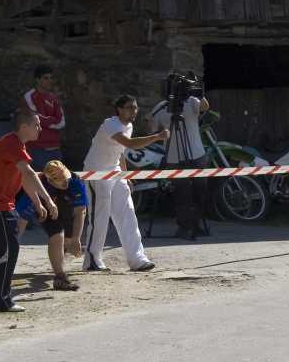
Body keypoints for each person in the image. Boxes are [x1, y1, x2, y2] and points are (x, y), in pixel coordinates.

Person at [0, 111, 58, 313]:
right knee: (8, 251)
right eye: (36, 125)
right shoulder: (11, 143)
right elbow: (29, 173)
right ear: (24, 127)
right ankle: (2, 300)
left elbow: (23, 178)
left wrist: (37, 202)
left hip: (3, 204)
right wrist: (47, 200)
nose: (40, 128)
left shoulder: (17, 144)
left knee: (4, 251)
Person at [82, 95, 168, 272]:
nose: (134, 111)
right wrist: (157, 136)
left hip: (116, 173)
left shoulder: (129, 125)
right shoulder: (110, 124)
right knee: (100, 217)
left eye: (135, 108)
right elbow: (129, 144)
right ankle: (92, 260)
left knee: (128, 213)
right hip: (96, 172)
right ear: (119, 109)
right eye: (130, 107)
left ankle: (137, 259)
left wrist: (126, 175)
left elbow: (120, 152)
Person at [15, 160, 87, 292]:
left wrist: (76, 237)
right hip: (44, 209)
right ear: (51, 181)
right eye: (61, 181)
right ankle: (60, 276)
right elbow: (22, 219)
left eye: (66, 178)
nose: (66, 182)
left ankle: (58, 262)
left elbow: (81, 210)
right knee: (57, 236)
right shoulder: (37, 187)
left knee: (68, 241)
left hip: (66, 207)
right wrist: (12, 243)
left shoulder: (75, 180)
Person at [148, 90, 210, 240]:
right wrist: (149, 120)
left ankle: (196, 224)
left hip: (197, 154)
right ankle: (184, 226)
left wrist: (199, 93)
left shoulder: (192, 101)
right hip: (174, 157)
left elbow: (205, 107)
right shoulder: (162, 107)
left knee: (200, 191)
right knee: (182, 194)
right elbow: (152, 130)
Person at [22, 64, 66, 170]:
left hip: (55, 150)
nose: (49, 81)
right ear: (37, 80)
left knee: (56, 185)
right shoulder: (29, 96)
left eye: (51, 78)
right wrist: (52, 119)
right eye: (46, 78)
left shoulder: (53, 98)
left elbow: (62, 122)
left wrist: (47, 121)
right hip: (37, 150)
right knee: (39, 184)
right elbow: (35, 119)